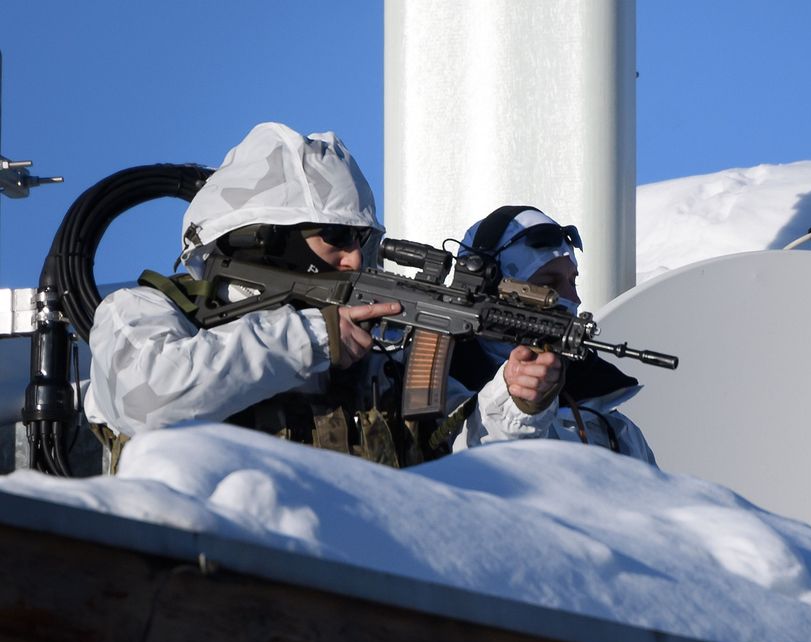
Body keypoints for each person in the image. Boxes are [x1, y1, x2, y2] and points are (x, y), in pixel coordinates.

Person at [83, 123, 562, 469]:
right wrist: (313, 339)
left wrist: (513, 403)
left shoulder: (374, 359)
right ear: (267, 239)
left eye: (363, 243)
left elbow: (461, 462)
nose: (354, 260)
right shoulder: (146, 312)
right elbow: (147, 399)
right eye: (336, 237)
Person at [444, 205, 656, 464]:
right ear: (492, 290)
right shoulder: (423, 384)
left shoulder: (612, 426)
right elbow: (458, 463)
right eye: (548, 285)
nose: (572, 298)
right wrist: (517, 405)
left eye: (572, 281)